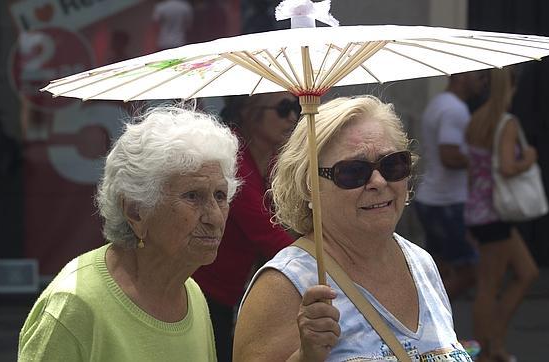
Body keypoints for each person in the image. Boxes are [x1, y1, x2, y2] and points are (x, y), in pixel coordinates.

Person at [234, 95, 473, 361]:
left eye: (392, 164)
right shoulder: (284, 286)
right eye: (353, 172)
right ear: (309, 187)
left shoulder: (421, 263)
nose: (378, 182)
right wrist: (305, 357)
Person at [18, 105, 240, 361]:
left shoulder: (191, 294)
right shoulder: (74, 306)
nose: (214, 217)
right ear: (135, 211)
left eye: (220, 196)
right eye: (193, 196)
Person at [193, 92, 299, 361]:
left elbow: (293, 214)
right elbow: (269, 235)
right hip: (205, 290)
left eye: (296, 107)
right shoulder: (231, 161)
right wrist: (331, 264)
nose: (293, 117)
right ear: (249, 110)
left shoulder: (272, 157)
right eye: (284, 108)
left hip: (229, 288)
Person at [465, 67, 540, 362]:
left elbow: (473, 171)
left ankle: (494, 342)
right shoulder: (505, 123)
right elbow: (508, 168)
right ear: (512, 87)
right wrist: (530, 159)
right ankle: (487, 350)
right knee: (489, 285)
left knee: (526, 272)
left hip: (480, 210)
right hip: (495, 213)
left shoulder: (476, 120)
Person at [414, 70, 487, 299]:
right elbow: (449, 156)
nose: (483, 82)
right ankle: (429, 319)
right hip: (447, 202)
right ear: (461, 76)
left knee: (439, 270)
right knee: (468, 272)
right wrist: (482, 159)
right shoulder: (454, 109)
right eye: (479, 76)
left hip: (434, 198)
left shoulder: (439, 103)